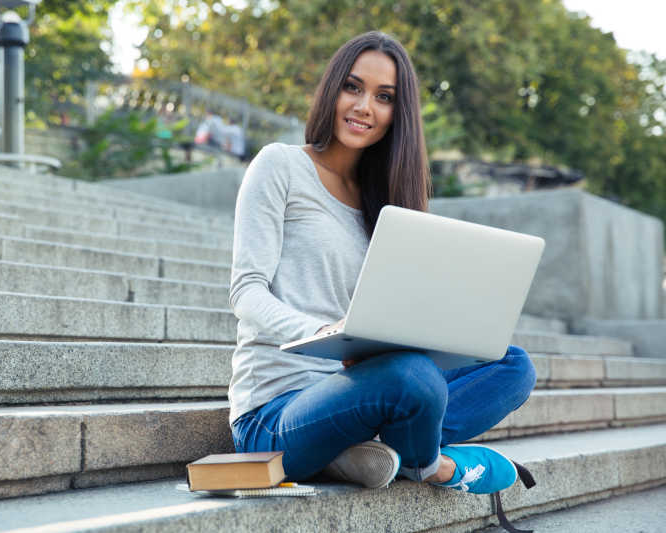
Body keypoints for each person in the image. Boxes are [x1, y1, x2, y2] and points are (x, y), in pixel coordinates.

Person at [228, 31, 537, 498]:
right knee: (410, 378)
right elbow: (247, 292)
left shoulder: (391, 205)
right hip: (275, 414)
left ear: (398, 114)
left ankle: (372, 450)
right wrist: (325, 335)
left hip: (364, 386)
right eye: (353, 87)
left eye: (384, 96)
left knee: (512, 364)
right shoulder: (280, 166)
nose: (364, 106)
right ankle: (435, 465)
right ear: (332, 89)